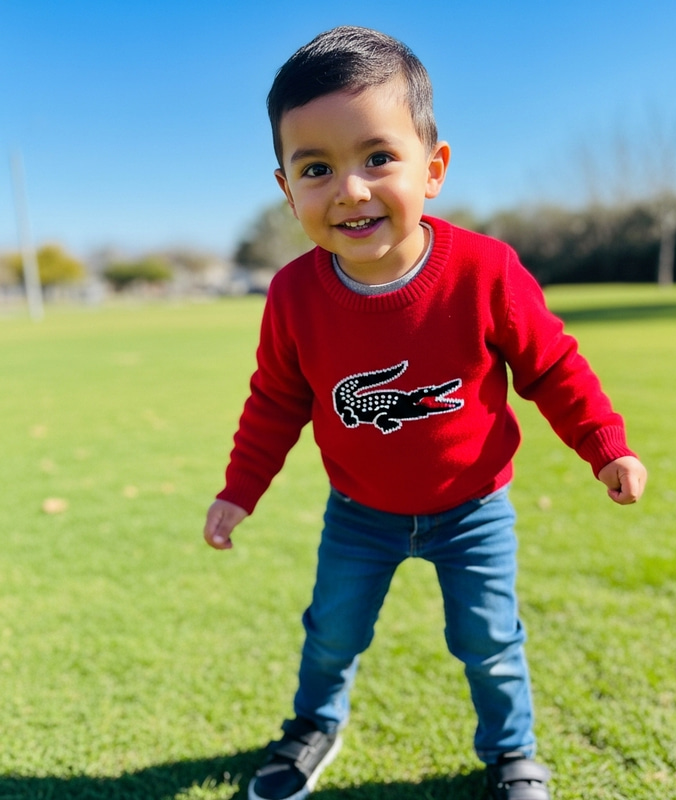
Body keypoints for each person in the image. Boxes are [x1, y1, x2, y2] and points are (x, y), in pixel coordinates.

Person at [204, 25, 647, 800]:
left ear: (433, 168)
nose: (350, 189)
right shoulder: (294, 296)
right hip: (359, 512)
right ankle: (314, 726)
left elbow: (551, 365)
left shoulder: (485, 270)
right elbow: (276, 401)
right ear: (287, 188)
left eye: (378, 157)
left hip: (473, 509)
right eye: (318, 168)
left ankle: (513, 755)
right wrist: (240, 491)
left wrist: (604, 444)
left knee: (489, 640)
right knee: (331, 632)